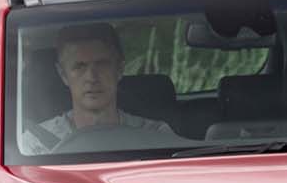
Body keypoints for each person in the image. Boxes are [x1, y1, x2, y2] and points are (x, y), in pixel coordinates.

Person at [19, 23, 176, 155]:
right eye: (79, 66)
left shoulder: (156, 136)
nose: (91, 77)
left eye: (102, 64)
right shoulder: (33, 146)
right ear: (63, 75)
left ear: (119, 69)